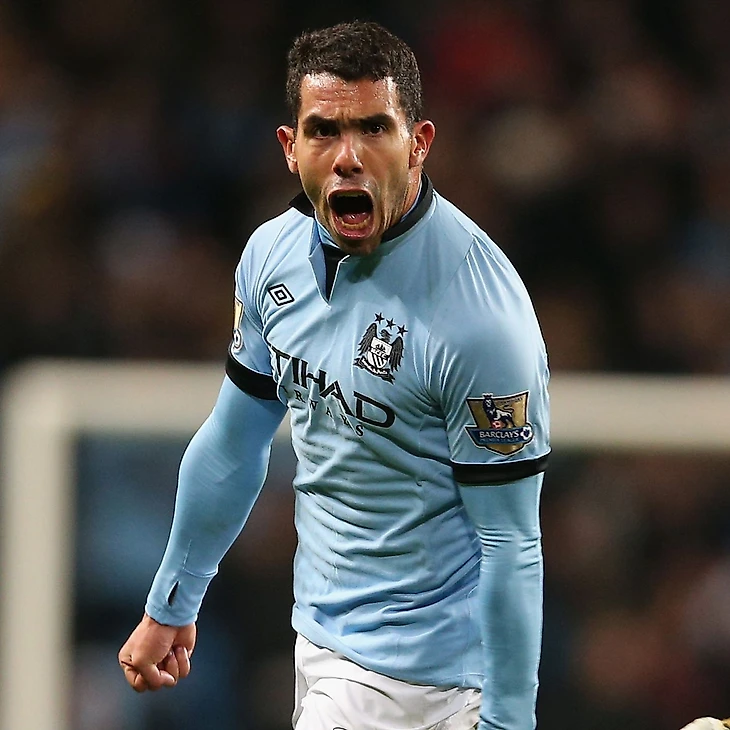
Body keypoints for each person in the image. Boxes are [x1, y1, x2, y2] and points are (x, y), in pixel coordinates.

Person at [118, 20, 550, 730]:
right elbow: (233, 441)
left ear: (419, 143)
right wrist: (172, 601)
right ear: (291, 148)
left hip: (429, 681)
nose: (348, 157)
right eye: (324, 131)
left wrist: (507, 721)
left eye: (374, 129)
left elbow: (511, 542)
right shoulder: (272, 258)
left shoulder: (480, 317)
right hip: (321, 645)